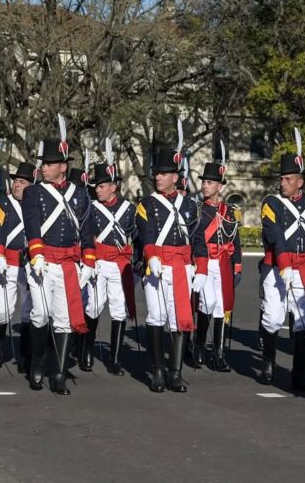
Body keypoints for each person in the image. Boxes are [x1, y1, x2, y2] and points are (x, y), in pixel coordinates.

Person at [23, 137, 94, 395]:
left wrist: (89, 261)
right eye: (43, 164)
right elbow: (32, 224)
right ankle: (37, 361)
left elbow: (87, 229)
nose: (43, 168)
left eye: (49, 164)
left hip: (68, 263)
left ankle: (59, 373)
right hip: (42, 261)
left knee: (64, 319)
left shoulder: (80, 193)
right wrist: (37, 254)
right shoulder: (33, 192)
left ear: (63, 167)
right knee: (41, 313)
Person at [258, 133, 305, 391]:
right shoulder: (271, 203)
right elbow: (274, 236)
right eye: (282, 178)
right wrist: (285, 265)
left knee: (303, 321)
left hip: (303, 269)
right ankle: (268, 364)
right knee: (273, 318)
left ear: (300, 182)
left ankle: (299, 375)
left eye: (288, 179)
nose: (283, 183)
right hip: (277, 268)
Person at [136, 145, 201, 393]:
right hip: (158, 266)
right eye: (157, 173)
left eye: (163, 174)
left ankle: (175, 372)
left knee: (178, 318)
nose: (158, 177)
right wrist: (151, 256)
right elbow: (146, 232)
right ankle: (157, 370)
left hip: (182, 267)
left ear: (175, 177)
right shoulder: (147, 204)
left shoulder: (190, 205)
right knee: (156, 315)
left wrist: (202, 269)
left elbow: (197, 240)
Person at [84, 150, 138, 375]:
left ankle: (114, 358)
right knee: (93, 306)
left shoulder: (130, 209)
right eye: (96, 186)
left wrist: (138, 259)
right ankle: (86, 349)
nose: (97, 189)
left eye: (102, 186)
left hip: (119, 264)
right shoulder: (91, 208)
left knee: (119, 309)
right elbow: (84, 235)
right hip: (98, 262)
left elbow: (136, 235)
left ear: (113, 187)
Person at [191, 151, 242, 372]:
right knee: (208, 302)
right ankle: (199, 344)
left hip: (223, 263)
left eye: (210, 182)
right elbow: (194, 239)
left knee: (222, 307)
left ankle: (218, 353)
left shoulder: (230, 212)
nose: (205, 186)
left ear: (219, 186)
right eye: (204, 182)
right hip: (205, 262)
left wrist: (237, 266)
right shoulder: (197, 210)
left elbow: (235, 240)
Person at [0, 162, 36, 370]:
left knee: (28, 311)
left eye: (22, 182)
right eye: (16, 180)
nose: (17, 184)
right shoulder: (2, 203)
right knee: (2, 311)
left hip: (29, 264)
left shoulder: (37, 205)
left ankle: (25, 352)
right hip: (6, 263)